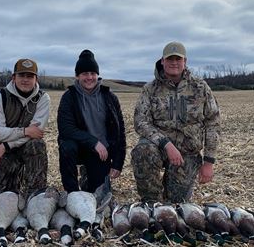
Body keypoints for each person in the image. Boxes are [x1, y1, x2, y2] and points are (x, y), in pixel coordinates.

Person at [132, 41, 220, 204]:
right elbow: (140, 122)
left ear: (185, 61)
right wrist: (165, 143)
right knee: (143, 151)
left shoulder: (200, 87)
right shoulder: (150, 89)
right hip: (158, 147)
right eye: (170, 59)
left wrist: (209, 162)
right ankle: (151, 202)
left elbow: (212, 122)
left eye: (178, 59)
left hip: (188, 151)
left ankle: (171, 198)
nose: (174, 63)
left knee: (177, 203)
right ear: (162, 61)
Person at [57, 49, 126, 193]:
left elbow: (120, 131)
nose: (89, 77)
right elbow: (65, 129)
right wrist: (93, 142)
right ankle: (72, 192)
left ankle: (87, 176)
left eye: (93, 73)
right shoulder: (69, 97)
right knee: (67, 146)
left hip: (101, 153)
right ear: (77, 76)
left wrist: (118, 163)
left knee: (98, 193)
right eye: (84, 73)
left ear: (97, 75)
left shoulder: (109, 97)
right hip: (80, 147)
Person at [0, 58, 50, 198]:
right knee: (7, 194)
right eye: (21, 75)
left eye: (30, 76)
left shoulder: (43, 98)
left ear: (36, 79)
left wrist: (7, 145)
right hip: (0, 149)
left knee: (37, 144)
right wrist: (25, 131)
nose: (25, 80)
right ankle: (11, 184)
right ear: (13, 77)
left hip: (16, 146)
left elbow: (36, 133)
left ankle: (35, 192)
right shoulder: (0, 96)